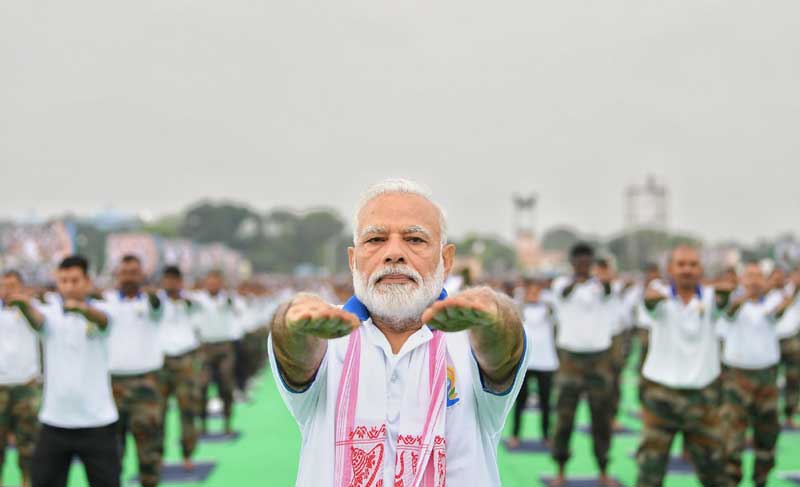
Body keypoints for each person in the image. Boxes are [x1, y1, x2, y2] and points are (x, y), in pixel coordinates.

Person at [269, 179, 527, 486]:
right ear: (353, 260)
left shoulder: (474, 333)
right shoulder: (324, 331)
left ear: (446, 260)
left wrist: (496, 314)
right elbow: (295, 352)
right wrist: (291, 321)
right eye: (375, 239)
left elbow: (503, 347)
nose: (394, 253)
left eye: (415, 240)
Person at [10, 255, 120, 487]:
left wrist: (81, 309)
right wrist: (23, 305)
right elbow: (37, 321)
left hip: (97, 421)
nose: (69, 286)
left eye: (74, 280)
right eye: (64, 281)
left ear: (87, 281)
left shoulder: (104, 307)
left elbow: (102, 321)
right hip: (55, 422)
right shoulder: (49, 312)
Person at [634, 245, 731, 487]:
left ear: (701, 270)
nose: (687, 270)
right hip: (660, 397)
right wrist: (662, 293)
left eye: (693, 264)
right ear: (669, 269)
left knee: (715, 472)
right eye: (681, 264)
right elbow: (649, 301)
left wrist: (725, 289)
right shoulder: (659, 295)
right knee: (649, 471)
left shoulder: (710, 298)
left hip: (703, 398)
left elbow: (725, 296)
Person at [549, 243, 617, 487]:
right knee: (565, 417)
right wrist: (578, 279)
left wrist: (600, 278)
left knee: (601, 417)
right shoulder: (561, 285)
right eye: (579, 261)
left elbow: (609, 291)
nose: (583, 265)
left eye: (587, 261)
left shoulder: (602, 286)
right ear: (572, 263)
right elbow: (564, 295)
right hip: (570, 359)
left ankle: (603, 470)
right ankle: (560, 469)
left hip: (600, 358)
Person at [720, 262, 790, 487]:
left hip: (767, 377)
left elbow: (778, 312)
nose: (754, 280)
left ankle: (761, 480)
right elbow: (728, 312)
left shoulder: (772, 301)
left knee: (767, 435)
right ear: (741, 280)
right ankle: (732, 481)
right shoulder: (731, 301)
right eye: (750, 275)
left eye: (759, 276)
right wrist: (744, 295)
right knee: (732, 436)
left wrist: (783, 290)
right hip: (737, 377)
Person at [104, 255, 164, 487]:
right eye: (125, 272)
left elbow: (158, 306)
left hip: (145, 386)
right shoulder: (106, 302)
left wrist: (148, 289)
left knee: (149, 451)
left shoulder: (152, 302)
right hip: (112, 386)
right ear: (117, 275)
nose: (129, 277)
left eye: (134, 272)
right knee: (111, 453)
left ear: (142, 275)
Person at [157, 265, 202, 471]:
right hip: (161, 360)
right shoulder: (155, 301)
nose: (170, 284)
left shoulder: (190, 301)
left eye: (174, 280)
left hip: (185, 359)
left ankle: (187, 454)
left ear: (180, 282)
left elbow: (198, 307)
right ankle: (158, 456)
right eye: (167, 279)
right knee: (158, 412)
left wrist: (181, 298)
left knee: (187, 410)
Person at [0, 271, 41, 487]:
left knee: (28, 448)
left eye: (13, 285)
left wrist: (25, 304)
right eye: (4, 285)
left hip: (26, 387)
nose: (8, 290)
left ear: (22, 288)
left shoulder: (34, 310)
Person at [508, 278, 557, 449]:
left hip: (546, 362)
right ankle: (515, 435)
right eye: (531, 291)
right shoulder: (519, 308)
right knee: (520, 400)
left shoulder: (549, 309)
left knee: (546, 401)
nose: (534, 294)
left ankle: (546, 435)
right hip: (525, 361)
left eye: (537, 291)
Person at [192, 270, 243, 434]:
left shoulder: (228, 299)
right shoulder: (198, 299)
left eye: (216, 281)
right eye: (210, 281)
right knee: (202, 387)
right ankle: (203, 424)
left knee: (226, 385)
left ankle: (227, 422)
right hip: (205, 347)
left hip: (224, 347)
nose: (213, 285)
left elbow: (239, 309)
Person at [776, 266, 800, 428]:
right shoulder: (774, 292)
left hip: (792, 340)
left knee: (794, 380)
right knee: (768, 384)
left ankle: (789, 416)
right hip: (771, 342)